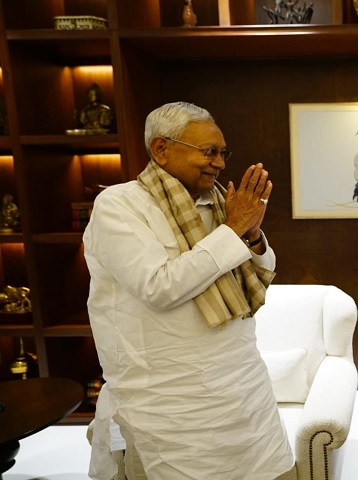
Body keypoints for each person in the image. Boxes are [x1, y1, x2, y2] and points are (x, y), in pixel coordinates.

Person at [83, 102, 293, 479]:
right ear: (161, 149)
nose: (219, 163)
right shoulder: (119, 205)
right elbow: (158, 287)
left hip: (245, 390)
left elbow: (256, 273)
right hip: (170, 404)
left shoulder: (217, 201)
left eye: (222, 153)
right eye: (209, 152)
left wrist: (252, 235)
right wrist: (233, 231)